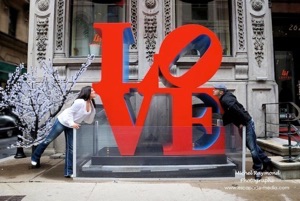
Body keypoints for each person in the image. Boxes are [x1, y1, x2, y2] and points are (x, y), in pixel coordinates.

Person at [31, 86, 96, 178]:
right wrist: (71, 123)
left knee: (71, 149)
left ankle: (68, 172)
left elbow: (88, 120)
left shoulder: (91, 104)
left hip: (73, 124)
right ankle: (35, 157)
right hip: (63, 121)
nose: (94, 91)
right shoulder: (79, 102)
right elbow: (69, 113)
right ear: (87, 92)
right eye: (92, 90)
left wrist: (93, 112)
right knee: (48, 139)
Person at [213, 83, 272, 180]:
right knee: (251, 145)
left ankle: (258, 169)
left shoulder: (226, 100)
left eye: (215, 89)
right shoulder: (224, 98)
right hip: (245, 122)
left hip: (247, 123)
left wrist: (243, 122)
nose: (213, 90)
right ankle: (266, 161)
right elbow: (231, 113)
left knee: (252, 148)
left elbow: (237, 110)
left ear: (221, 91)